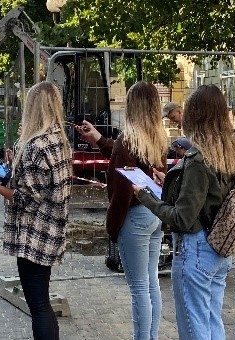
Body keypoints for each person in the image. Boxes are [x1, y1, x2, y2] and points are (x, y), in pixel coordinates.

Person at [133, 85, 235, 340]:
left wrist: (145, 197)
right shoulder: (227, 153)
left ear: (195, 115)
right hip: (220, 248)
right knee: (213, 323)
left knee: (194, 329)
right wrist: (169, 185)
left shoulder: (197, 160)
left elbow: (183, 218)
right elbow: (206, 199)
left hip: (195, 249)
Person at [0, 81, 72, 340]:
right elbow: (41, 184)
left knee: (39, 306)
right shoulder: (58, 140)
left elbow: (25, 198)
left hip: (35, 236)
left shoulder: (37, 145)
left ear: (34, 107)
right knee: (42, 303)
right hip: (52, 231)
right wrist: (16, 165)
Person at [82, 82, 168, 339]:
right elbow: (128, 160)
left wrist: (112, 227)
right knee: (151, 283)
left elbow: (122, 193)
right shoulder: (157, 139)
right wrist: (99, 139)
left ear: (133, 106)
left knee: (139, 288)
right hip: (154, 214)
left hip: (136, 218)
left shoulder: (127, 140)